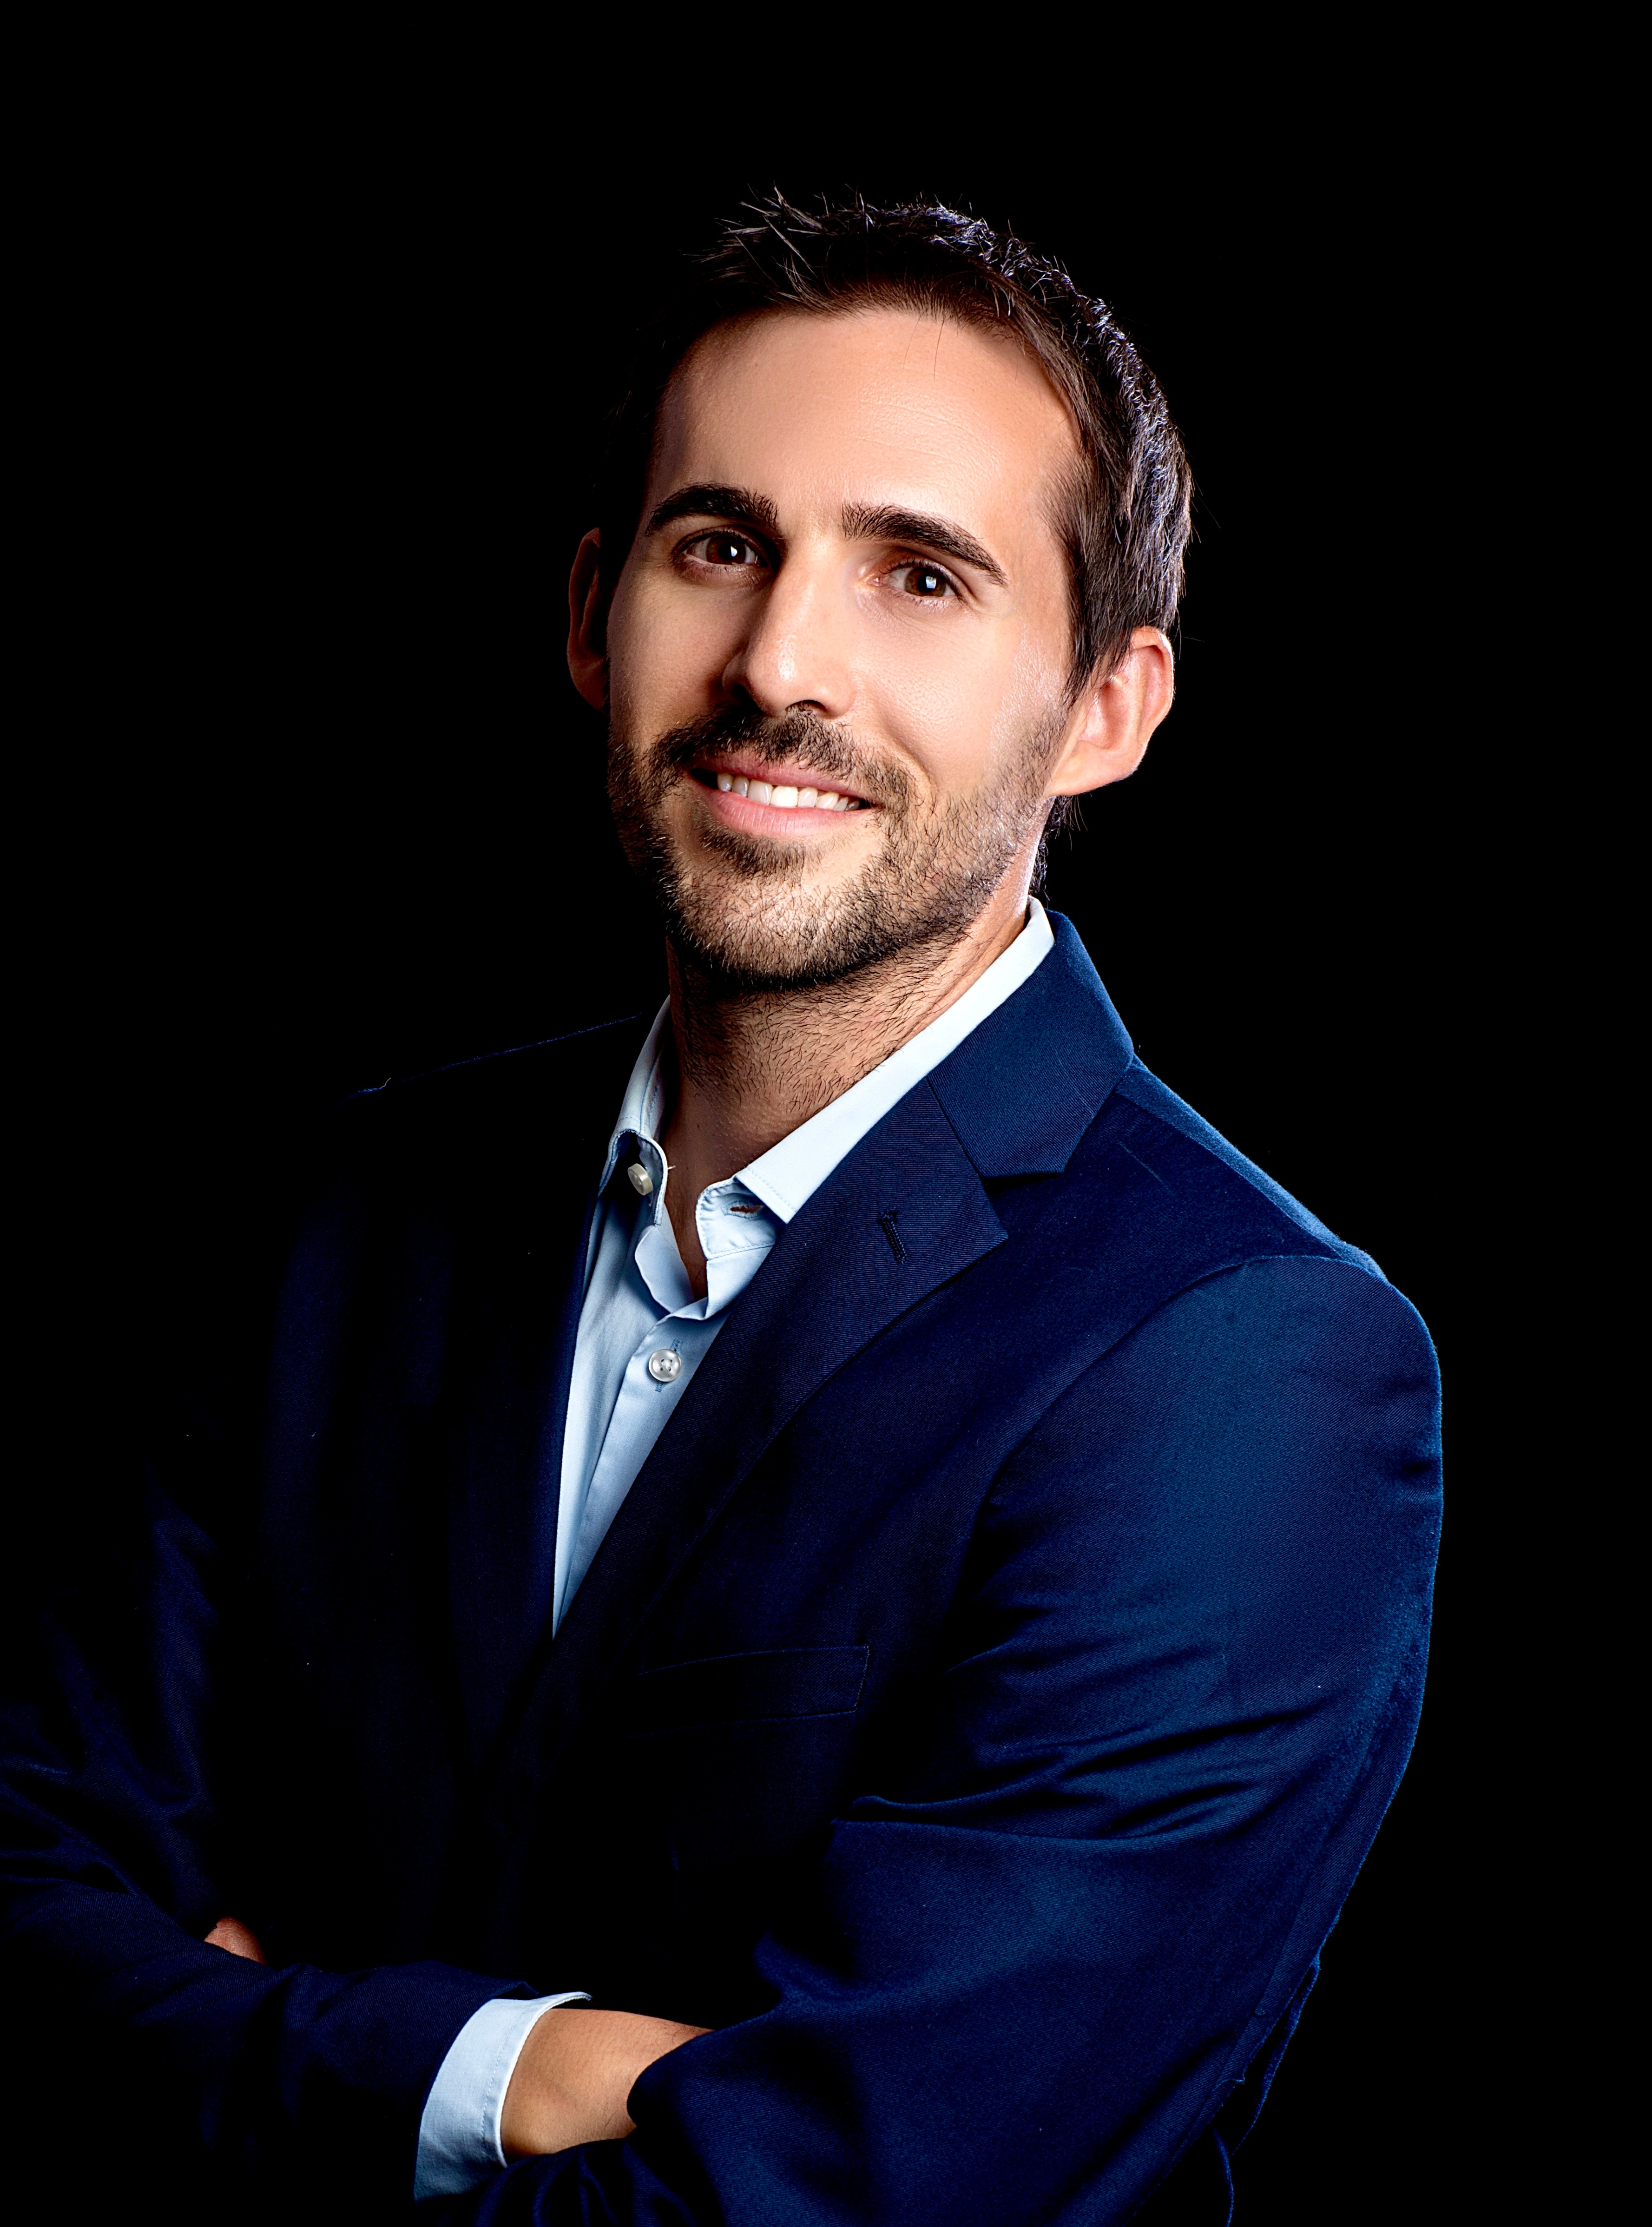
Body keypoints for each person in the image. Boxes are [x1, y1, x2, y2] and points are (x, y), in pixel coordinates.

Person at [0, 197, 1441, 2225]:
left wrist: (244, 2042)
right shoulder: (333, 1215)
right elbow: (10, 1927)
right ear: (594, 615)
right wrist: (487, 2072)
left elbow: (860, 2204)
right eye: (718, 546)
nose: (778, 665)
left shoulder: (1238, 1362)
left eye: (918, 575)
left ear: (1106, 709)